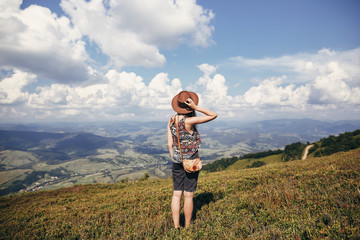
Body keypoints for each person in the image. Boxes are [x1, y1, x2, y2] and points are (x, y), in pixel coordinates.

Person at [167, 90, 217, 229]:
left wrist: (175, 156)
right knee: (188, 195)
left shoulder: (171, 120)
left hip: (177, 159)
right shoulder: (189, 121)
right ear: (189, 106)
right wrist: (196, 108)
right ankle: (188, 227)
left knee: (176, 194)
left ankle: (176, 227)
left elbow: (169, 144)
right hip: (191, 161)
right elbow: (214, 114)